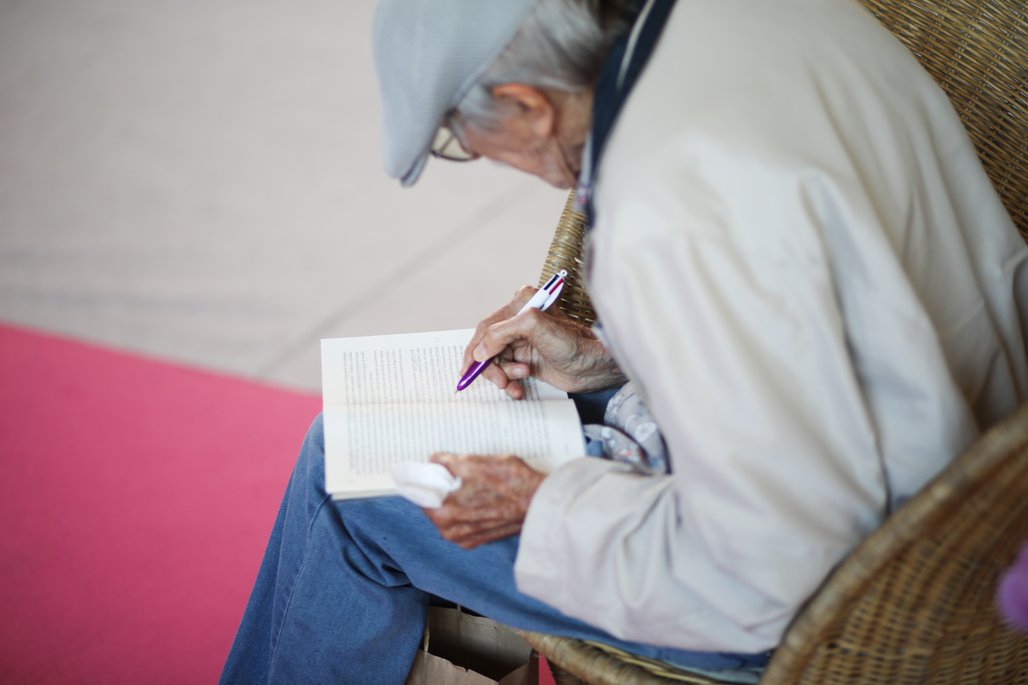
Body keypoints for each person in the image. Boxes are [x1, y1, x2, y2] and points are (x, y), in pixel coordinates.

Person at [220, 0, 1028, 682]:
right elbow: (799, 323)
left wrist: (539, 506)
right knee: (365, 448)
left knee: (347, 479)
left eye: (463, 139)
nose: (487, 158)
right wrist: (608, 360)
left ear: (529, 105)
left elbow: (761, 572)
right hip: (966, 459)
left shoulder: (665, 213)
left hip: (860, 593)